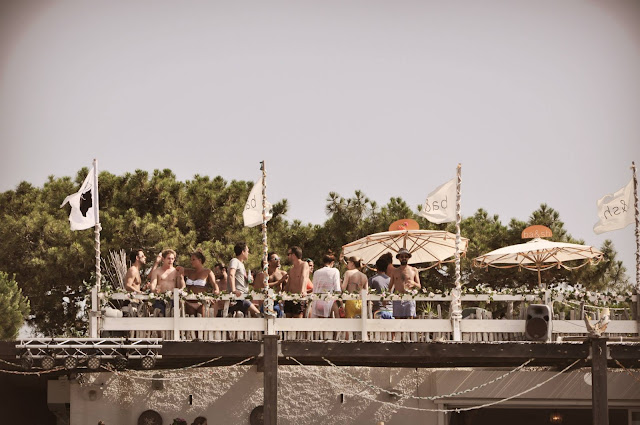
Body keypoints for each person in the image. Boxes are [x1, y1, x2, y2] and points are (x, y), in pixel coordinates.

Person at [178, 250, 220, 317]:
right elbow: (177, 269)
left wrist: (216, 291)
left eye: (193, 259)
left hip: (202, 302)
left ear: (200, 260)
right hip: (189, 302)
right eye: (191, 260)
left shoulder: (208, 272)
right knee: (190, 324)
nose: (191, 262)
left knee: (201, 324)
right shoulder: (189, 271)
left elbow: (214, 284)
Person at [149, 249, 186, 316]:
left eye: (172, 259)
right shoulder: (157, 271)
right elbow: (153, 284)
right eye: (168, 258)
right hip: (159, 298)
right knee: (159, 312)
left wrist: (181, 277)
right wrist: (154, 290)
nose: (170, 261)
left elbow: (181, 286)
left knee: (173, 313)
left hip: (173, 299)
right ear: (163, 259)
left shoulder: (176, 272)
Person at [227, 242, 261, 317]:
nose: (248, 253)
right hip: (239, 297)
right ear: (243, 252)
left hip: (243, 296)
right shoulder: (235, 261)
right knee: (258, 315)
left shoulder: (242, 265)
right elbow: (231, 274)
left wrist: (249, 280)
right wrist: (233, 290)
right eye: (247, 251)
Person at [389, 248, 421, 318]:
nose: (404, 258)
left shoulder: (414, 270)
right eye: (402, 257)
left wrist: (414, 283)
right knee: (397, 323)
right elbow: (390, 286)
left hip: (409, 299)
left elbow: (419, 286)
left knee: (410, 322)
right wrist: (386, 299)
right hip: (397, 298)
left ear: (408, 258)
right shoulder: (394, 271)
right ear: (398, 258)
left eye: (406, 256)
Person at [310, 252, 341, 318]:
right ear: (332, 262)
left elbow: (314, 288)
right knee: (337, 320)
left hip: (317, 301)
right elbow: (337, 289)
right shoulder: (335, 271)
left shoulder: (316, 272)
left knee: (321, 324)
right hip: (329, 301)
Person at [283, 246, 309, 318]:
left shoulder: (304, 264)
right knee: (288, 319)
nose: (288, 256)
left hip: (298, 297)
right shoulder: (291, 269)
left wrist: (302, 291)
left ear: (293, 255)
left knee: (297, 320)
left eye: (289, 254)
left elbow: (303, 277)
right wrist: (284, 294)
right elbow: (289, 283)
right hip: (290, 297)